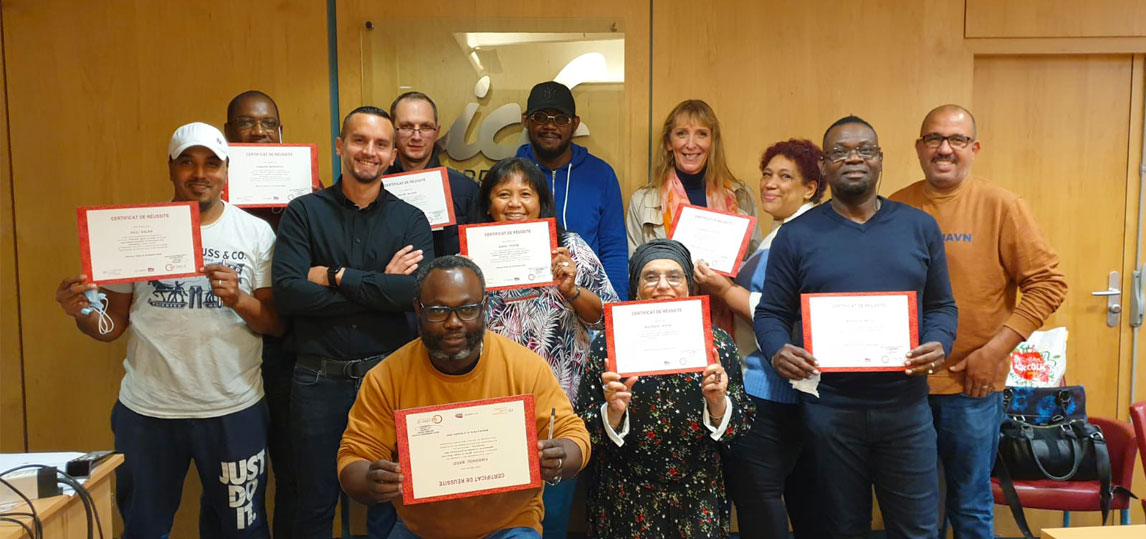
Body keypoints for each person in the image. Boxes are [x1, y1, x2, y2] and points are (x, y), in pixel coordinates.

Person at [55, 122, 282, 536]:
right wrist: (82, 312)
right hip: (148, 410)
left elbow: (275, 323)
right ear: (171, 168)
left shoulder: (255, 233)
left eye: (212, 163)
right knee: (143, 526)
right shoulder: (137, 229)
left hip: (233, 407)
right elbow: (111, 325)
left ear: (227, 169)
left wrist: (239, 299)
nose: (200, 174)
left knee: (240, 528)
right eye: (187, 162)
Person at [755, 116, 958, 538]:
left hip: (906, 410)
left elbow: (942, 306)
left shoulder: (918, 227)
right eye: (840, 152)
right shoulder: (797, 235)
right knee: (841, 529)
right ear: (825, 166)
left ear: (880, 159)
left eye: (865, 150)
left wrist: (940, 341)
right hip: (830, 411)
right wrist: (777, 351)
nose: (854, 158)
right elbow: (771, 313)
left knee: (918, 529)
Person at [890, 104, 1067, 538]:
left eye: (957, 140)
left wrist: (994, 352)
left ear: (974, 148)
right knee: (915, 513)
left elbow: (1049, 283)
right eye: (934, 139)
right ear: (919, 147)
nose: (944, 149)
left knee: (970, 506)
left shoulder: (1003, 206)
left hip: (971, 386)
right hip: (902, 387)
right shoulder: (894, 207)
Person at [337, 256, 590, 539]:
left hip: (509, 525)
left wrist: (560, 456)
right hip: (421, 529)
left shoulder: (524, 367)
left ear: (484, 308)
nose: (453, 322)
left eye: (467, 309)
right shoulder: (387, 377)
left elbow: (573, 435)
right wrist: (370, 481)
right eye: (438, 310)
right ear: (417, 309)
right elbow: (353, 457)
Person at [272, 106, 434, 537]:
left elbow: (413, 295)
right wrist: (379, 289)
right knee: (313, 501)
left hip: (388, 377)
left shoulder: (411, 220)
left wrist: (335, 275)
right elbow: (288, 293)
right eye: (360, 140)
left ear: (393, 154)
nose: (370, 151)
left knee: (389, 499)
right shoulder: (303, 213)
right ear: (340, 146)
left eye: (381, 144)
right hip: (315, 381)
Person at [476, 157, 618, 536]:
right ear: (488, 204)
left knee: (551, 519)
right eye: (503, 194)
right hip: (491, 409)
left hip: (557, 407)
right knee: (494, 519)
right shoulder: (471, 255)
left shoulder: (569, 248)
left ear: (542, 201)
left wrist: (571, 290)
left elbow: (609, 319)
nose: (515, 203)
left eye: (526, 193)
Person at [575, 238, 754, 538]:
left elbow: (743, 423)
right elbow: (582, 427)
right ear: (636, 287)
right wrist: (612, 413)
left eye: (674, 276)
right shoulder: (609, 344)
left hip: (698, 496)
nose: (662, 285)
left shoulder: (718, 343)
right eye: (650, 277)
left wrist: (718, 404)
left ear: (689, 286)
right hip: (625, 497)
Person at [696, 139, 827, 538]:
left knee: (758, 492)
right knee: (800, 493)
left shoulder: (798, 235)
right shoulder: (788, 232)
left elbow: (775, 311)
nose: (771, 184)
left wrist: (721, 288)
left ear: (810, 188)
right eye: (767, 174)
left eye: (785, 176)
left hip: (770, 389)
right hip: (787, 388)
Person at [223, 89, 299, 538]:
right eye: (247, 124)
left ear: (281, 132)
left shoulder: (301, 194)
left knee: (292, 472)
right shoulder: (208, 192)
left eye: (268, 124)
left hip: (288, 352)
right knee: (233, 481)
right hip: (226, 357)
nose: (258, 132)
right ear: (228, 132)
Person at [626, 99, 763, 332]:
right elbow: (635, 271)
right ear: (669, 142)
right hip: (665, 321)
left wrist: (721, 281)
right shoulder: (643, 200)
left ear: (712, 142)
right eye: (681, 134)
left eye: (701, 134)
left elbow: (754, 270)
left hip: (731, 322)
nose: (691, 144)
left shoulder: (741, 197)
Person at [515, 81, 629, 299]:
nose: (550, 126)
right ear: (525, 120)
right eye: (540, 117)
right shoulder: (510, 175)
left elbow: (613, 250)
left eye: (560, 119)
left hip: (589, 303)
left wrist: (615, 308)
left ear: (575, 123)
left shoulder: (600, 175)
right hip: (526, 306)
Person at [388, 91, 479, 256]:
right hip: (391, 280)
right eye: (407, 127)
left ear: (436, 133)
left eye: (425, 127)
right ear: (392, 130)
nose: (416, 136)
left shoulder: (466, 189)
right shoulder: (374, 187)